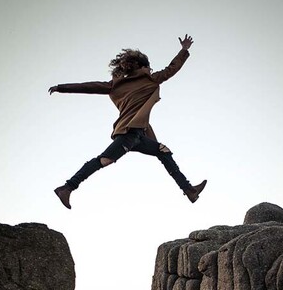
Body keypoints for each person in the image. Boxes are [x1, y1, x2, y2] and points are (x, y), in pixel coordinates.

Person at [49, 35, 207, 209]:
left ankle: (189, 190)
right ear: (142, 66)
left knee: (163, 151)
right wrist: (184, 50)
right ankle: (68, 187)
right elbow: (172, 69)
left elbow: (88, 86)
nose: (150, 68)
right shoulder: (150, 79)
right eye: (148, 66)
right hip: (128, 133)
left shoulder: (115, 85)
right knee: (104, 160)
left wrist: (61, 87)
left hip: (138, 134)